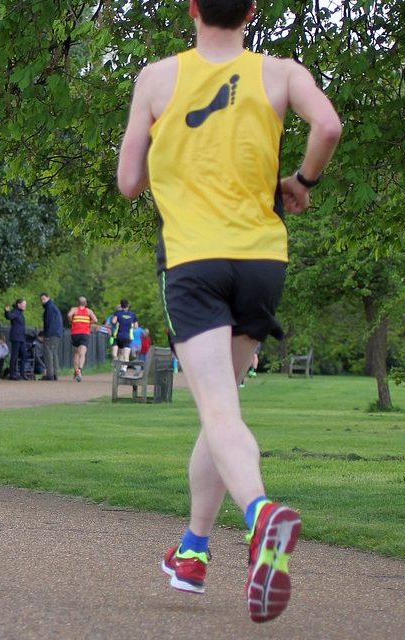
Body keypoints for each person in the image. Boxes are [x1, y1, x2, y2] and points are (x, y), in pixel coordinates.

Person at [117, 0, 341, 623]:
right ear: (251, 10)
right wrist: (302, 181)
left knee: (217, 409)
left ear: (192, 8)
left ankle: (260, 514)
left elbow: (129, 181)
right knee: (224, 413)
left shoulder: (158, 78)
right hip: (262, 260)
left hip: (195, 260)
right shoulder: (283, 72)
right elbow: (327, 128)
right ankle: (192, 550)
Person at [66, 296, 98, 381]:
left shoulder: (74, 309)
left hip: (75, 333)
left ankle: (76, 371)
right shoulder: (88, 311)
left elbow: (69, 315)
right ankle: (80, 370)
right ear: (86, 303)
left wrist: (71, 321)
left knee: (76, 353)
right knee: (82, 353)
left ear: (78, 303)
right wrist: (88, 322)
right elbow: (95, 320)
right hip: (85, 333)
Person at [107, 299, 140, 366]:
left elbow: (113, 322)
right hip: (128, 336)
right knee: (125, 355)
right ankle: (123, 369)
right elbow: (136, 326)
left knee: (115, 350)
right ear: (128, 305)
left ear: (121, 305)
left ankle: (116, 361)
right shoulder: (133, 314)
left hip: (117, 336)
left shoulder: (117, 313)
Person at [38, 293, 63, 380]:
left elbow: (48, 322)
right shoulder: (54, 307)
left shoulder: (49, 308)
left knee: (48, 353)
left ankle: (50, 374)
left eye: (44, 299)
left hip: (51, 333)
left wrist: (46, 334)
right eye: (41, 299)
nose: (42, 301)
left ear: (48, 298)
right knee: (54, 353)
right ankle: (55, 374)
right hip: (57, 333)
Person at [3, 299, 27, 380]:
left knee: (24, 355)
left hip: (21, 338)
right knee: (15, 355)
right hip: (16, 337)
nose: (25, 305)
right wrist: (6, 311)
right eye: (23, 304)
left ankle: (22, 373)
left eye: (25, 304)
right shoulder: (15, 312)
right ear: (18, 304)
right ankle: (12, 374)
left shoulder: (20, 313)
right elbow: (9, 316)